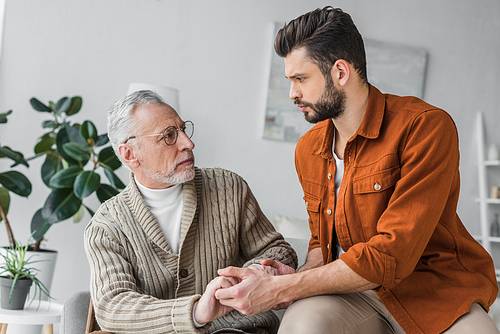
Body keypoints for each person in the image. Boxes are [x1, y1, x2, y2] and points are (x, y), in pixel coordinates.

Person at [215, 6, 499, 334]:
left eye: (301, 79)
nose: (293, 93)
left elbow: (393, 255)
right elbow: (323, 244)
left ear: (340, 72)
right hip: (350, 294)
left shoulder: (426, 127)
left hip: (434, 292)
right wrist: (297, 277)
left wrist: (281, 290)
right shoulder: (308, 149)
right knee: (302, 328)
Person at [83, 90, 297, 334]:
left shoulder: (229, 187)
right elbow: (114, 306)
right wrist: (195, 312)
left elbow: (280, 252)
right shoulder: (106, 226)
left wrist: (254, 271)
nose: (188, 143)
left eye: (183, 129)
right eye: (169, 136)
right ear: (130, 154)